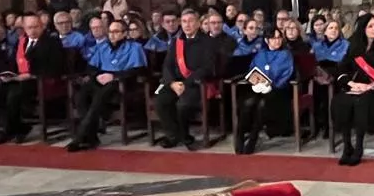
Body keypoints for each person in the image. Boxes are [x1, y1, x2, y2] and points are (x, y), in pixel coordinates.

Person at [0, 13, 65, 145]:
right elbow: (13, 62)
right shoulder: (22, 41)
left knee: (14, 95)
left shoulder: (52, 42)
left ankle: (9, 131)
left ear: (42, 26)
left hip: (40, 81)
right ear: (24, 28)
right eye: (29, 27)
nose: (33, 30)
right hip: (18, 79)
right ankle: (18, 127)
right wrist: (8, 74)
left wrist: (30, 75)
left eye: (36, 27)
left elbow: (55, 66)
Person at [331, 14, 374, 166]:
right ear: (363, 29)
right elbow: (342, 69)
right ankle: (347, 146)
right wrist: (351, 84)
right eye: (370, 26)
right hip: (355, 87)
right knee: (340, 101)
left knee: (361, 102)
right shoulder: (353, 44)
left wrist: (372, 85)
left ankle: (359, 147)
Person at [66, 19, 143, 151]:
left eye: (116, 32)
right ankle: (91, 137)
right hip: (101, 80)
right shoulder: (103, 47)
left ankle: (80, 136)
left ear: (125, 33)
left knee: (99, 97)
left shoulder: (135, 47)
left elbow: (138, 70)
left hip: (121, 83)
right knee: (80, 96)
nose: (112, 35)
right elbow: (91, 67)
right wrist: (97, 75)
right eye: (110, 32)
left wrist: (114, 76)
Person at [152, 9, 220, 150]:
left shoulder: (208, 42)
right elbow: (167, 65)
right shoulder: (177, 42)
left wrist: (186, 83)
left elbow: (207, 68)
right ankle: (173, 135)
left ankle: (185, 136)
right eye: (184, 21)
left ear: (198, 23)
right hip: (175, 83)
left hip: (196, 84)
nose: (187, 25)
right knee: (160, 101)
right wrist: (172, 83)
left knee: (182, 105)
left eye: (190, 21)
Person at [234, 26, 296, 155]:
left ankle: (253, 138)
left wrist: (272, 85)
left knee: (262, 105)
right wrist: (256, 81)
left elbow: (287, 74)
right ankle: (239, 135)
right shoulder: (260, 54)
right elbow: (252, 70)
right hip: (258, 88)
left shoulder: (286, 54)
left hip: (278, 90)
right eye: (273, 38)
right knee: (247, 103)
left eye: (279, 38)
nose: (277, 41)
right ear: (267, 40)